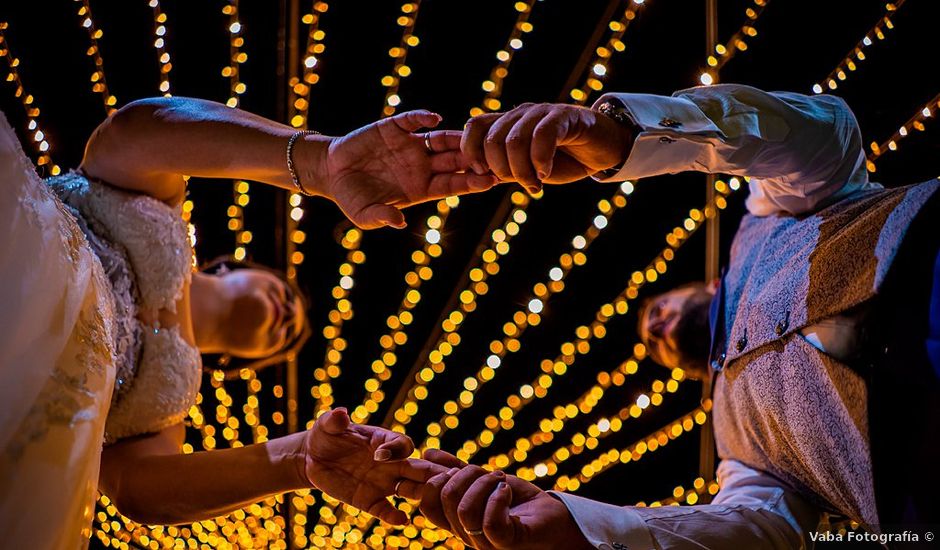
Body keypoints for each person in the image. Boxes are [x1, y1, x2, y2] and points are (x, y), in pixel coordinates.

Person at [413, 84, 939, 548]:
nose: (656, 329)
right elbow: (762, 530)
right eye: (655, 342)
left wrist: (623, 135)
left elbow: (821, 137)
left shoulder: (766, 223)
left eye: (657, 310)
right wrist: (579, 530)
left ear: (709, 284)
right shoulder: (738, 448)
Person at [0, 96, 494, 548]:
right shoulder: (163, 212)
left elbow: (135, 489)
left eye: (283, 338)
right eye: (282, 295)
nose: (287, 317)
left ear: (239, 360)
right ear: (227, 267)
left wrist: (299, 459)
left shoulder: (170, 405)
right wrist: (321, 161)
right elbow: (130, 135)